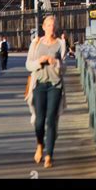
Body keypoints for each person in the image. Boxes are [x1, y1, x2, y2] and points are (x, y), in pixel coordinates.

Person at [25, 15, 66, 169]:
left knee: (51, 120)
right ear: (43, 27)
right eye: (48, 25)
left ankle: (49, 155)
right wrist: (39, 62)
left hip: (55, 85)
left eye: (53, 25)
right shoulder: (35, 43)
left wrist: (55, 62)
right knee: (39, 120)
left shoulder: (61, 44)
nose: (51, 28)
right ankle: (40, 145)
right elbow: (28, 65)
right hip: (39, 85)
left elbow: (65, 68)